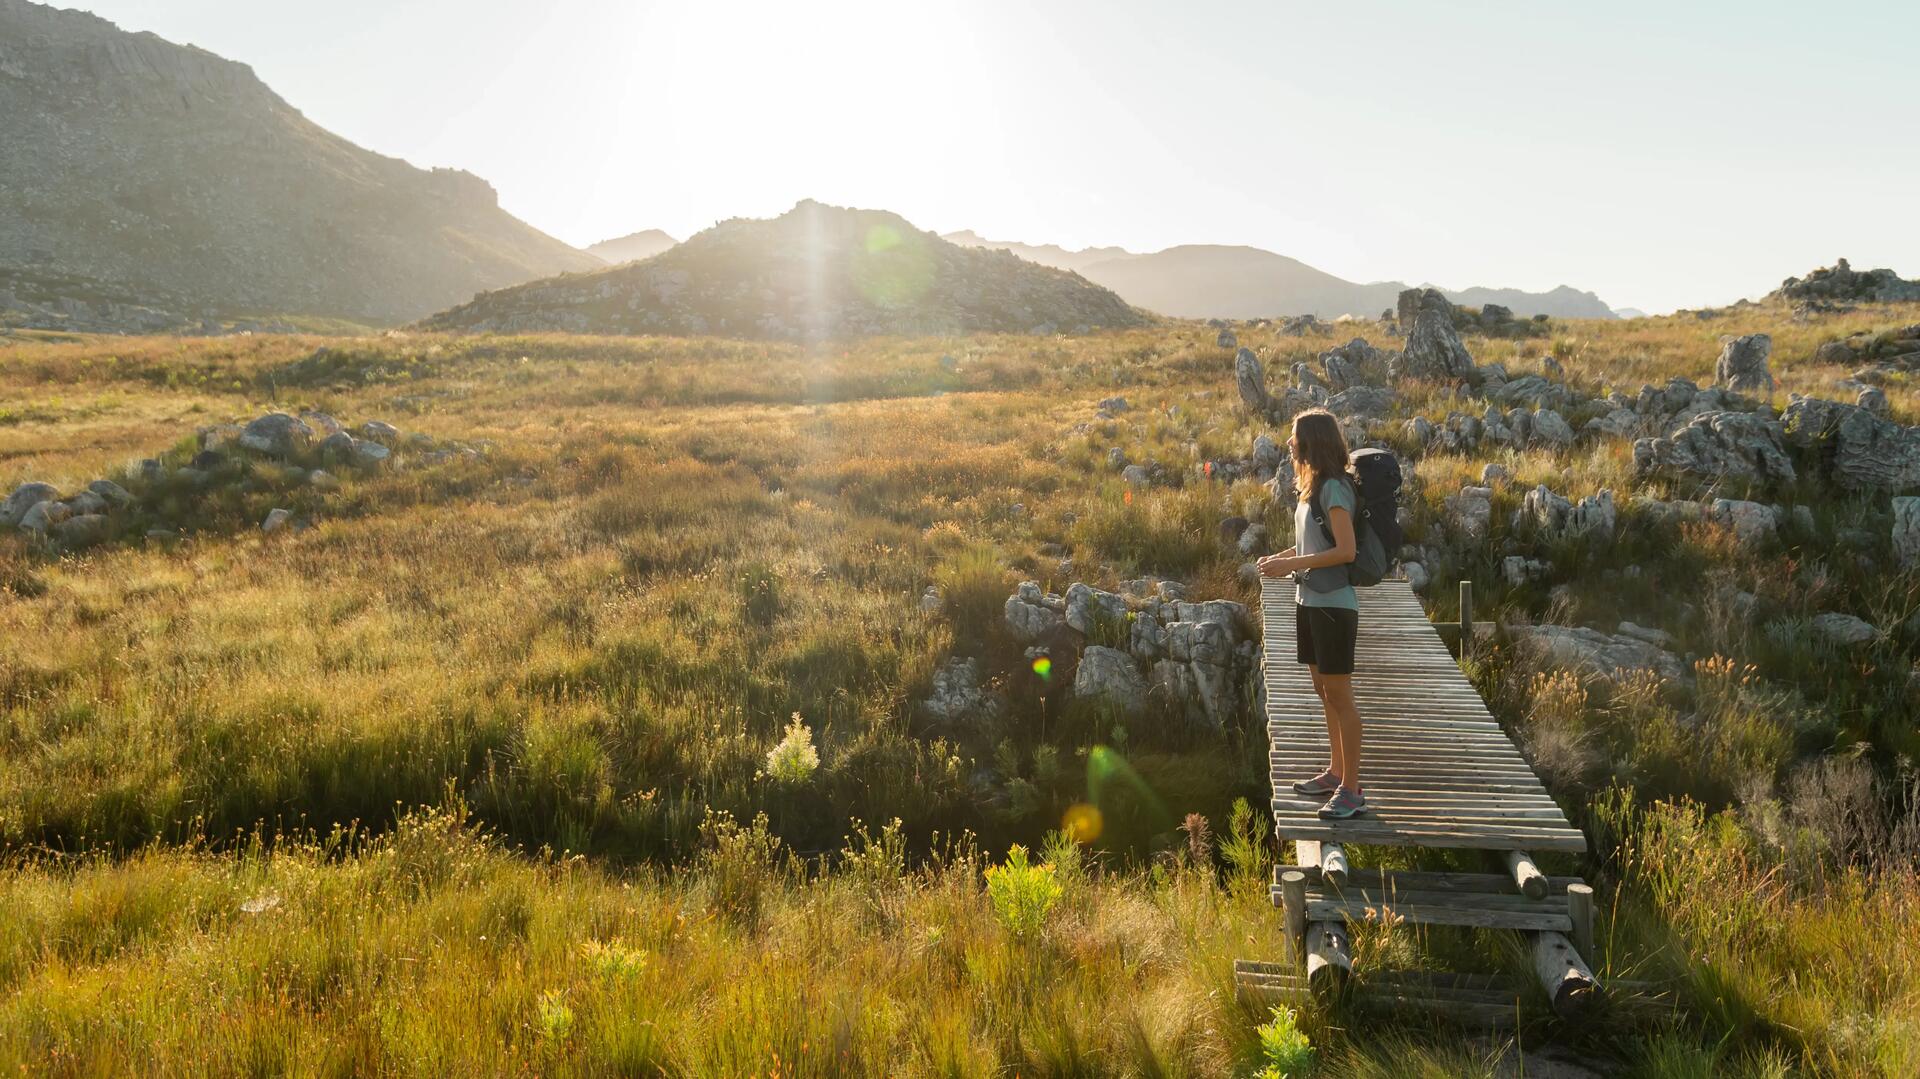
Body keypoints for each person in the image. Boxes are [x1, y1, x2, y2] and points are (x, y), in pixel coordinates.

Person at [1256, 409, 1366, 819]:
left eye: (1293, 436)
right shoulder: (1312, 487)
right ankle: (1337, 772)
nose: (1288, 442)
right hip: (1309, 602)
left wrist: (1291, 567)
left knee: (1340, 695)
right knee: (1324, 691)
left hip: (1334, 604)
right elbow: (1311, 546)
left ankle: (1352, 790)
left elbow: (1346, 551)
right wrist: (1282, 558)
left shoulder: (1335, 489)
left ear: (1311, 441)